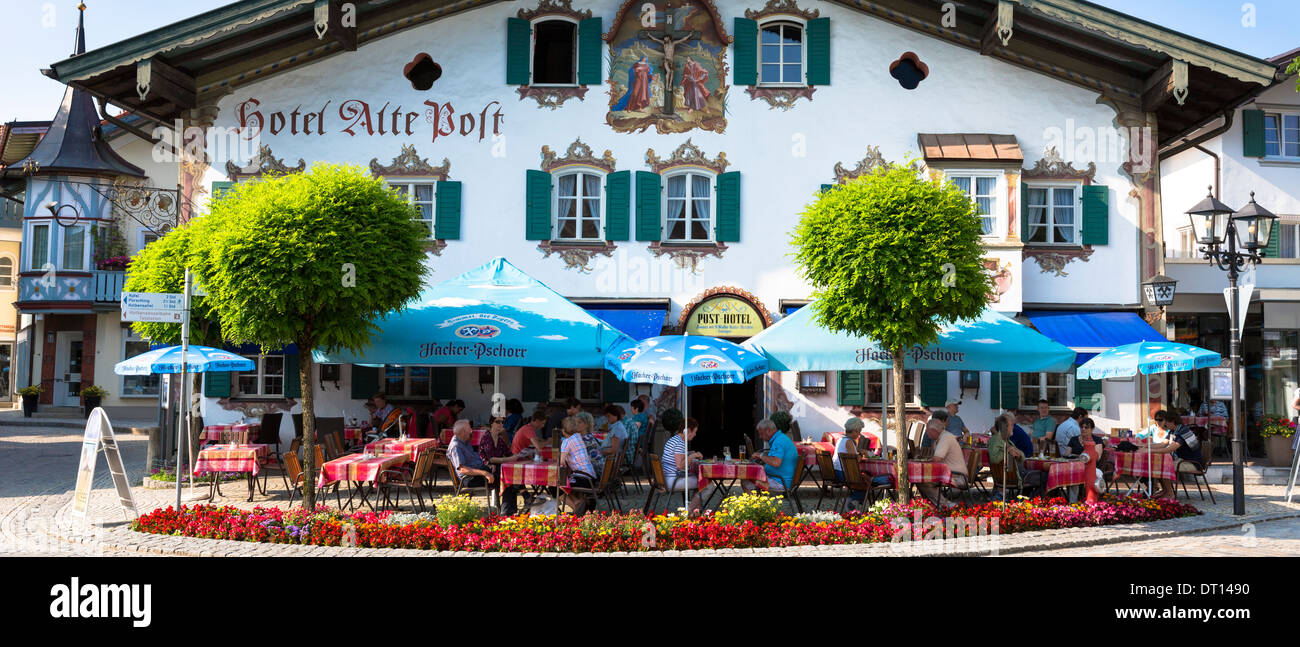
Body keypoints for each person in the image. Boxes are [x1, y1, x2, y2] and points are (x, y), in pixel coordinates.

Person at [1142, 412, 1201, 499]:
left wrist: (1149, 451)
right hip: (1182, 459)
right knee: (1159, 464)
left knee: (1163, 466)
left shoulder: (1182, 432)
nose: (1165, 424)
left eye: (1166, 422)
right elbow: (1163, 444)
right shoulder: (1175, 430)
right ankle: (1165, 490)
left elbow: (1170, 449)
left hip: (1193, 463)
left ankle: (1170, 493)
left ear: (1173, 421)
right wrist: (1147, 446)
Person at [916, 419, 968, 508]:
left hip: (957, 477)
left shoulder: (945, 438)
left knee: (923, 481)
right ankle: (932, 505)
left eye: (927, 431)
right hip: (951, 474)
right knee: (921, 480)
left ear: (933, 430)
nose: (927, 434)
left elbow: (937, 459)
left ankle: (946, 505)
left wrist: (923, 461)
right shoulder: (943, 437)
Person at [559, 415, 602, 514]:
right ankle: (580, 503)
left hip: (583, 478)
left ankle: (576, 507)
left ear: (563, 430)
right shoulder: (578, 437)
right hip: (591, 476)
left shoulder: (566, 442)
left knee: (555, 485)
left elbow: (562, 463)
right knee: (565, 482)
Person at [748, 418, 798, 493]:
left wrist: (761, 456)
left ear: (769, 431)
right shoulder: (781, 438)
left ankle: (752, 503)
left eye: (761, 434)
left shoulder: (779, 441)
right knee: (753, 474)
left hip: (780, 482)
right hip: (781, 479)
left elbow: (776, 462)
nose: (760, 437)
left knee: (746, 479)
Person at [447, 420, 495, 490]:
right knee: (500, 475)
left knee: (498, 467)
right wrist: (485, 473)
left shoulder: (464, 441)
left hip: (478, 472)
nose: (471, 431)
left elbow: (474, 458)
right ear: (463, 432)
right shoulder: (456, 447)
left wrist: (487, 464)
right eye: (469, 429)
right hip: (469, 479)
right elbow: (463, 469)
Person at [834, 418, 868, 509]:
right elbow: (855, 460)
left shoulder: (841, 439)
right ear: (854, 431)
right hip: (844, 474)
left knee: (863, 480)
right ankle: (850, 499)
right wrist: (861, 454)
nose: (859, 435)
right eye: (859, 432)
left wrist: (858, 450)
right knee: (868, 481)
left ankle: (854, 503)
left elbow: (850, 452)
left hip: (837, 472)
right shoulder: (849, 442)